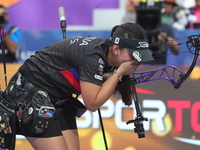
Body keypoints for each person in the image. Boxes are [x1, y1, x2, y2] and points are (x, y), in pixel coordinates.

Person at [3, 22, 154, 150]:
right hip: (31, 94)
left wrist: (116, 76)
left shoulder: (107, 54)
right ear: (116, 49)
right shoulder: (93, 58)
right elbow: (92, 103)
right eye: (134, 55)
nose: (136, 61)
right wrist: (119, 73)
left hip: (58, 98)